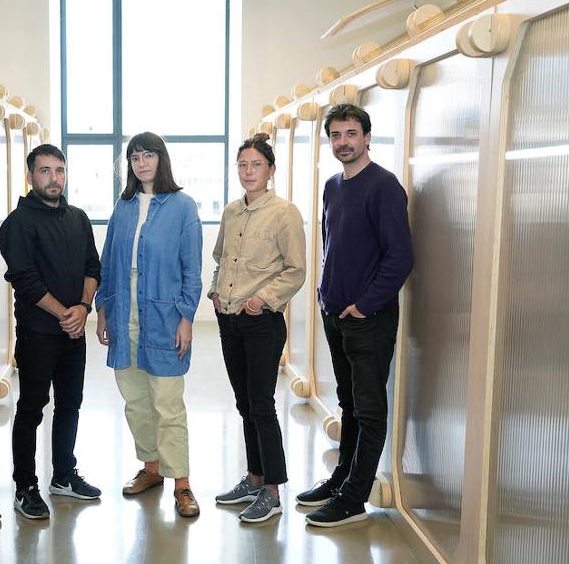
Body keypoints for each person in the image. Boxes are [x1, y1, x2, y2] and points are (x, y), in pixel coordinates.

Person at [299, 103, 413, 528]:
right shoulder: (333, 186)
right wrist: (324, 293)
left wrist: (365, 305)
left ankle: (353, 499)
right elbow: (332, 246)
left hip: (369, 319)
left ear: (367, 138)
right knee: (347, 403)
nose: (343, 142)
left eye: (351, 134)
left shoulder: (384, 186)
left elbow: (400, 257)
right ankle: (341, 480)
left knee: (368, 409)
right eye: (336, 135)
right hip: (335, 313)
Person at [95, 132, 203, 518]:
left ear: (161, 159)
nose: (141, 163)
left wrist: (186, 317)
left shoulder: (183, 207)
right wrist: (103, 310)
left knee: (167, 402)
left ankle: (182, 483)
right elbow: (108, 263)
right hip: (124, 311)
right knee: (136, 399)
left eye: (148, 155)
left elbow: (192, 269)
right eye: (135, 157)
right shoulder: (123, 207)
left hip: (164, 315)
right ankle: (151, 468)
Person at [0, 144, 103, 520]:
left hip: (73, 333)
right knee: (31, 408)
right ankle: (25, 487)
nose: (54, 178)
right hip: (38, 334)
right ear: (30, 176)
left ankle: (63, 476)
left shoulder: (78, 218)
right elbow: (25, 280)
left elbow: (93, 267)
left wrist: (83, 308)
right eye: (45, 171)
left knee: (70, 404)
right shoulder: (17, 223)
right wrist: (65, 314)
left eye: (60, 170)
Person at [209, 134, 306, 524]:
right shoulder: (232, 212)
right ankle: (254, 478)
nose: (249, 171)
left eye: (257, 165)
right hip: (229, 319)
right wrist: (215, 291)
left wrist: (262, 299)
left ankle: (273, 491)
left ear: (271, 170)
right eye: (243, 165)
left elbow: (295, 271)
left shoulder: (284, 213)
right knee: (244, 403)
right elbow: (221, 258)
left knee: (262, 406)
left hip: (261, 322)